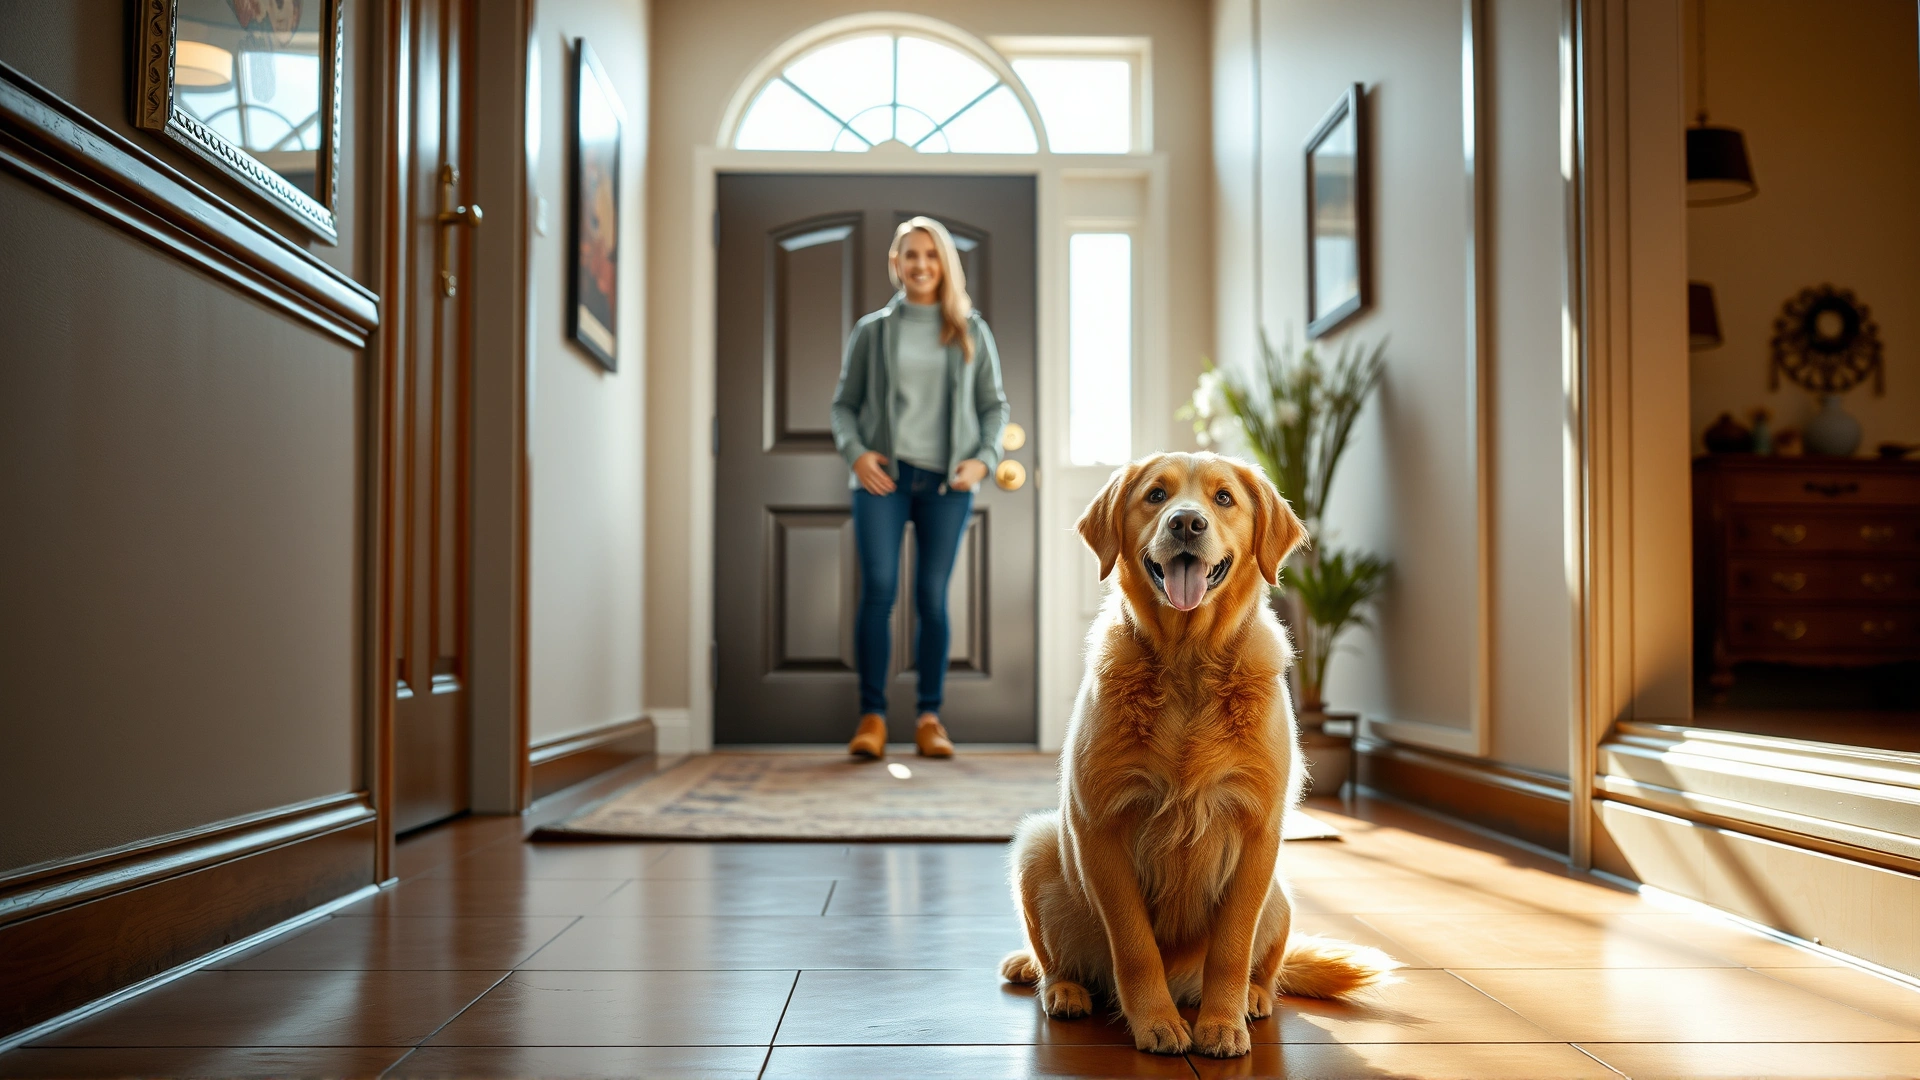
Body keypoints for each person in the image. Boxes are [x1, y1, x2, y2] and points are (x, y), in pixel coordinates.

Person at [829, 217, 1010, 759]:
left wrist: (983, 460)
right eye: (911, 255)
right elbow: (843, 405)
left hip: (947, 484)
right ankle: (873, 718)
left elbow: (993, 407)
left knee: (932, 598)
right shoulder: (872, 331)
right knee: (880, 590)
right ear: (895, 262)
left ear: (945, 263)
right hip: (883, 480)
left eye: (931, 255)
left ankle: (930, 717)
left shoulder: (971, 330)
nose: (921, 265)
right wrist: (857, 454)